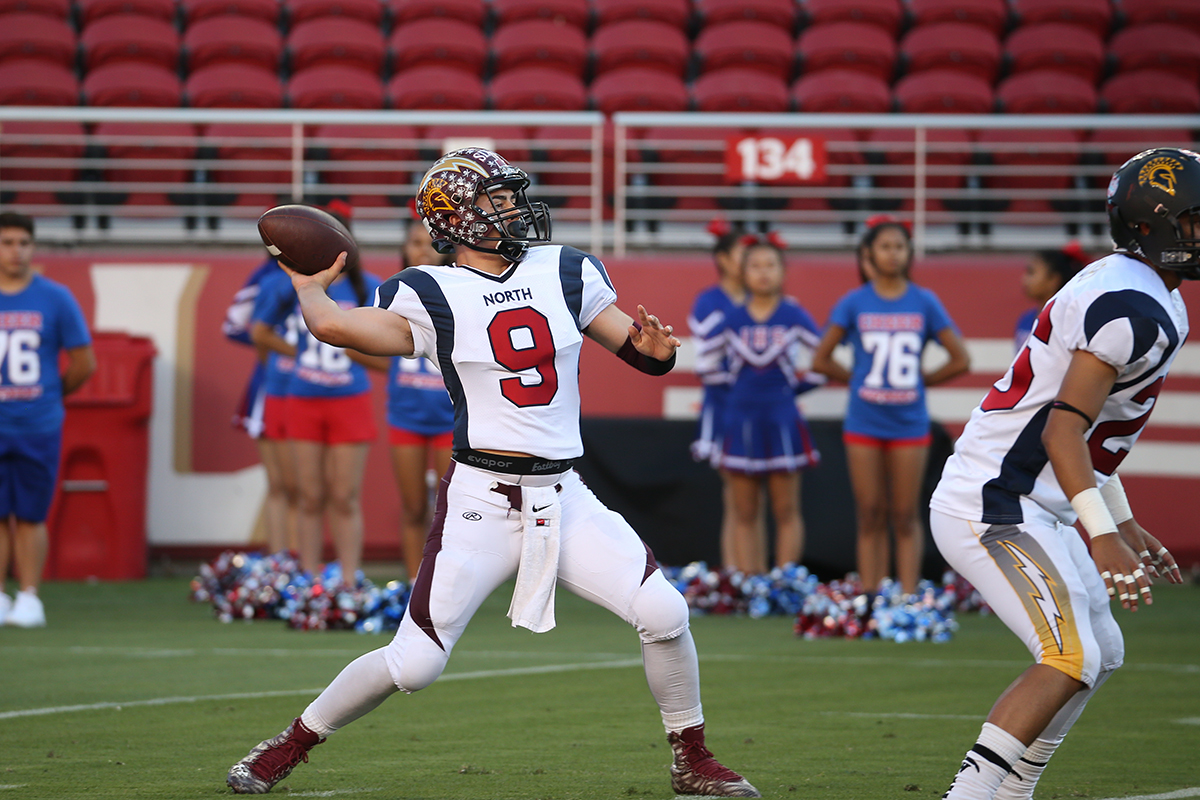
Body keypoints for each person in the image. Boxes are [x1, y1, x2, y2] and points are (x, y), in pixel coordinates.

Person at [226, 148, 760, 798]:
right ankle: (290, 744)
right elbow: (338, 328)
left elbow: (638, 349)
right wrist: (310, 286)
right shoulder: (428, 289)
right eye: (496, 199)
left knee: (664, 609)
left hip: (564, 493)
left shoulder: (565, 269)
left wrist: (655, 351)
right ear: (457, 221)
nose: (513, 208)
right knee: (415, 664)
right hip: (482, 497)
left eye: (511, 195)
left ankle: (692, 758)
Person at [927, 147, 1189, 800]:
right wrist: (1102, 536)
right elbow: (1063, 429)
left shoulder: (1137, 290)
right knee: (1070, 657)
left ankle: (1014, 791)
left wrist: (1120, 520)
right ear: (1156, 226)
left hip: (1033, 502)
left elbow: (1088, 433)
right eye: (1195, 221)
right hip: (994, 503)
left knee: (1103, 652)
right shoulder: (1133, 310)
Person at [811, 218, 971, 594]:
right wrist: (858, 379)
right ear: (867, 254)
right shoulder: (853, 302)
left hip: (909, 424)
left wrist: (920, 382)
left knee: (904, 514)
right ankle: (871, 596)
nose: (892, 253)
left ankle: (909, 596)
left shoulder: (924, 300)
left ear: (909, 253)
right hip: (863, 422)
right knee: (869, 514)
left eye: (899, 246)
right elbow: (821, 359)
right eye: (884, 246)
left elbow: (960, 358)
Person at [252, 204, 382, 582]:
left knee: (344, 497)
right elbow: (260, 332)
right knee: (308, 496)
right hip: (303, 397)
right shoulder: (287, 283)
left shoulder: (368, 285)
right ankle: (308, 579)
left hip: (349, 399)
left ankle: (347, 580)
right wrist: (302, 355)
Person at [0, 211, 94, 627]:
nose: (15, 251)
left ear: (33, 246)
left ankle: (30, 594)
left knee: (32, 513)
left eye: (22, 242)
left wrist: (51, 394)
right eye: (6, 242)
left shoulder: (55, 297)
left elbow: (82, 362)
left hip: (36, 423)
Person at [714, 234, 822, 572]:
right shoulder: (731, 318)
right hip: (741, 420)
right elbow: (707, 367)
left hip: (782, 420)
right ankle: (751, 584)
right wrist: (736, 395)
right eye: (755, 266)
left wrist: (792, 391)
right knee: (745, 511)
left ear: (783, 271)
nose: (763, 273)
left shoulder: (794, 314)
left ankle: (785, 583)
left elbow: (823, 360)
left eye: (770, 265)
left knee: (786, 509)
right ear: (742, 273)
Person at [387, 217, 455, 580]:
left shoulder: (459, 290)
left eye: (429, 243)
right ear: (404, 248)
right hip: (406, 415)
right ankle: (415, 584)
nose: (422, 250)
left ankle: (445, 584)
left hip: (450, 416)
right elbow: (360, 345)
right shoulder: (390, 294)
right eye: (415, 242)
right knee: (413, 507)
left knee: (451, 510)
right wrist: (399, 369)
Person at [226, 253, 299, 555]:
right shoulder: (269, 279)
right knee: (284, 485)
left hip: (318, 391)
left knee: (304, 488)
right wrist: (292, 353)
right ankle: (284, 563)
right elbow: (237, 325)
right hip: (275, 387)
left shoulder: (342, 281)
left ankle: (299, 562)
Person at [687, 220, 749, 569]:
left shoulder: (762, 300)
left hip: (759, 406)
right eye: (743, 254)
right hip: (724, 403)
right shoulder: (709, 300)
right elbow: (706, 344)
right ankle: (735, 571)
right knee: (736, 495)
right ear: (723, 259)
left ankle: (751, 573)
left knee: (755, 496)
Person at [1014, 243, 1088, 352]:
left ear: (1053, 279)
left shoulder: (1068, 322)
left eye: (1031, 272)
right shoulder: (1026, 319)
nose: (1024, 279)